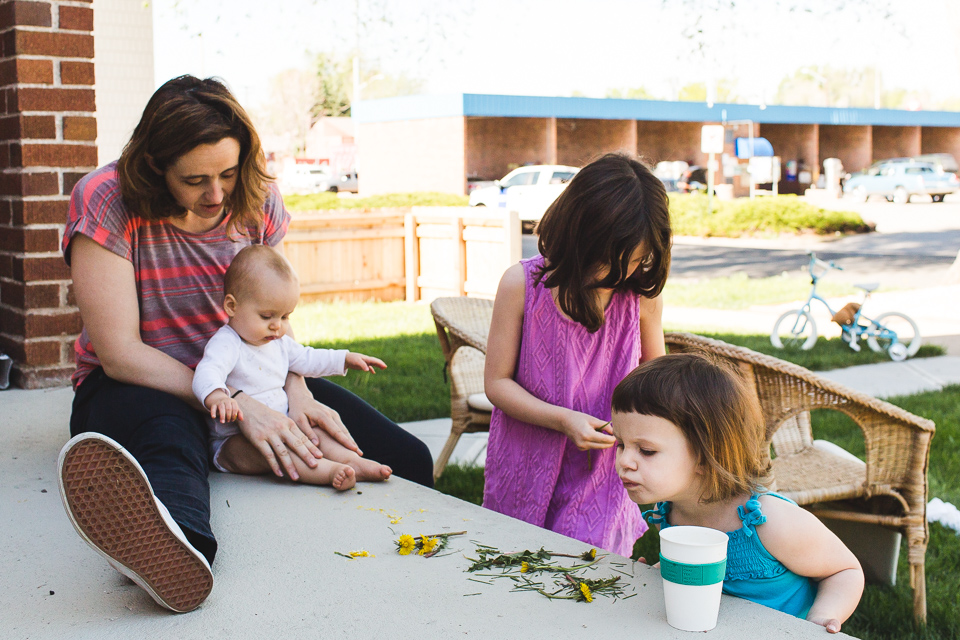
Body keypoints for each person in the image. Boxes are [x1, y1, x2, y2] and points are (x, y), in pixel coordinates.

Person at [57, 75, 433, 613]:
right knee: (171, 446)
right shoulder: (105, 199)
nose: (216, 196)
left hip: (252, 374)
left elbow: (275, 317)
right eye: (195, 180)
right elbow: (119, 351)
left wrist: (297, 392)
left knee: (405, 457)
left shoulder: (257, 200)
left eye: (228, 174)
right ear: (154, 166)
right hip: (136, 381)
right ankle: (176, 557)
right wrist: (242, 409)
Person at [482, 153, 672, 557]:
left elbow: (657, 387)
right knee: (517, 565)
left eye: (635, 261)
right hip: (526, 460)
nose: (619, 274)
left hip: (602, 472)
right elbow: (497, 384)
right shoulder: (522, 285)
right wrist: (563, 419)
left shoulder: (639, 300)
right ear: (577, 234)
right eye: (608, 260)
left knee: (585, 572)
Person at [611, 353, 864, 633]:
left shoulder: (769, 521)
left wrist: (818, 621)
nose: (624, 461)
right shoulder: (669, 512)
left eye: (646, 451)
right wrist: (660, 575)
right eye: (620, 444)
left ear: (708, 455)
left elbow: (845, 571)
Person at [193, 245, 393, 491]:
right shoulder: (228, 343)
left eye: (285, 317)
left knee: (316, 433)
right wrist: (216, 396)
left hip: (284, 425)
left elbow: (309, 358)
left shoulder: (279, 343)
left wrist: (344, 359)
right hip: (233, 441)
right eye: (267, 316)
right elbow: (207, 371)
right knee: (278, 451)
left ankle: (353, 462)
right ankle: (329, 472)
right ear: (232, 306)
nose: (277, 326)